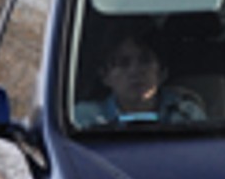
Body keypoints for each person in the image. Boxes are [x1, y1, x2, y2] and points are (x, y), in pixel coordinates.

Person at [72, 27, 207, 127]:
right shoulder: (84, 120)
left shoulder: (187, 115)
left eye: (145, 61)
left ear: (162, 73)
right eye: (123, 63)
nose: (135, 71)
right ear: (105, 76)